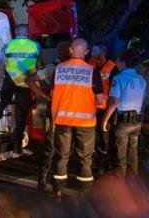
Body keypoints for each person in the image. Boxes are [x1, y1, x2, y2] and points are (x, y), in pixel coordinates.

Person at [51, 38, 104, 196]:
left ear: (70, 50)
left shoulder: (59, 69)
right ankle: (84, 192)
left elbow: (53, 94)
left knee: (62, 155)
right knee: (85, 157)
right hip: (85, 122)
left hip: (62, 119)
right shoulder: (92, 71)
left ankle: (58, 190)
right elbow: (100, 99)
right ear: (86, 52)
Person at [0, 24, 44, 153]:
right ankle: (17, 146)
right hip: (25, 83)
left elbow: (0, 67)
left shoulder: (8, 45)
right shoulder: (35, 45)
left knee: (2, 103)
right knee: (21, 115)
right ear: (27, 33)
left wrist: (2, 83)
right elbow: (40, 65)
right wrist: (40, 84)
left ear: (15, 33)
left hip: (10, 80)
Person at [101, 48, 147, 176]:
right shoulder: (141, 79)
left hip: (122, 123)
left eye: (118, 61)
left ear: (123, 62)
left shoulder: (119, 78)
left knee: (120, 157)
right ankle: (133, 181)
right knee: (133, 154)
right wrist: (140, 118)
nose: (116, 63)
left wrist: (104, 121)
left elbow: (113, 103)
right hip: (137, 122)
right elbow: (143, 103)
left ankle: (120, 185)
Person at [38, 41, 71, 191]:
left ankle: (44, 179)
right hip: (61, 112)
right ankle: (48, 179)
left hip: (56, 112)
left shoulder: (53, 67)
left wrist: (44, 96)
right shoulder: (57, 68)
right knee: (57, 147)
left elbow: (31, 80)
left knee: (52, 147)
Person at [90, 44, 118, 169]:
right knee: (92, 135)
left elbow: (114, 91)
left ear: (103, 54)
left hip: (105, 108)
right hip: (90, 107)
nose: (92, 53)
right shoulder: (89, 64)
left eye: (94, 51)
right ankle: (94, 161)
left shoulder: (113, 68)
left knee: (104, 135)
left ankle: (103, 161)